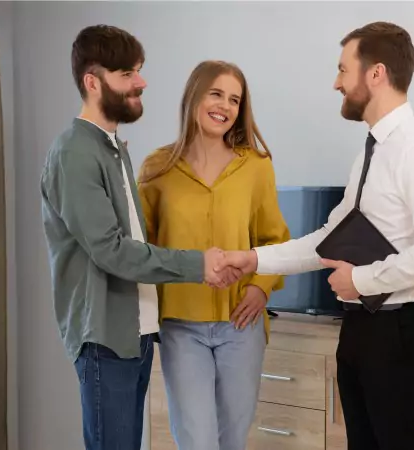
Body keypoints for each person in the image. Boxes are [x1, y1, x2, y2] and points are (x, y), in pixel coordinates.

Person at [220, 22, 414, 450]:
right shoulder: (370, 153)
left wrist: (362, 281)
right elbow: (329, 238)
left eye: (342, 70)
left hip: (401, 330)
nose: (336, 83)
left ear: (376, 74)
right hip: (362, 331)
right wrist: (255, 260)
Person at [40, 26, 240, 450]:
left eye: (139, 71)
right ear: (92, 82)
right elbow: (110, 251)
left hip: (136, 335)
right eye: (127, 73)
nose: (141, 82)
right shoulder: (75, 152)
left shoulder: (112, 148)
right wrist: (198, 264)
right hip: (105, 339)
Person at [137, 60, 290, 450]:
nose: (225, 105)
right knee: (197, 441)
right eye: (216, 94)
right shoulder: (158, 169)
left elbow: (275, 239)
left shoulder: (256, 168)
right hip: (181, 325)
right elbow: (142, 250)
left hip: (241, 324)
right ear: (195, 96)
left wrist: (260, 289)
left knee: (232, 440)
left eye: (235, 99)